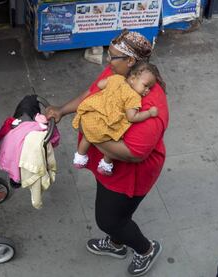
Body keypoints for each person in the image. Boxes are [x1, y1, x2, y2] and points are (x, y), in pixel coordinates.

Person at [46, 29, 169, 276]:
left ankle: (145, 249)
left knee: (109, 219)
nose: (107, 61)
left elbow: (133, 153)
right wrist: (61, 110)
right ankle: (116, 241)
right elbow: (90, 95)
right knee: (116, 212)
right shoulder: (118, 74)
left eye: (112, 57)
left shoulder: (150, 105)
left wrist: (91, 133)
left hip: (131, 172)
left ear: (130, 61)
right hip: (110, 164)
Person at [72, 61, 160, 176]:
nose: (147, 90)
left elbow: (100, 85)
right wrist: (149, 113)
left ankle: (80, 156)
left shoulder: (117, 78)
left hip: (92, 114)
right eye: (145, 85)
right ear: (133, 78)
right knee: (115, 138)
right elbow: (132, 117)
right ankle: (105, 164)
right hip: (106, 124)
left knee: (87, 136)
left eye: (149, 88)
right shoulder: (133, 96)